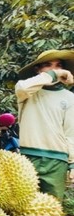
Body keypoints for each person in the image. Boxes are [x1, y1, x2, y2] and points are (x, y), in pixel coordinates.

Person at [15, 49, 74, 201]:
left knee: (51, 211)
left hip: (57, 161)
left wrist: (72, 163)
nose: (54, 69)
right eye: (48, 65)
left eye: (58, 65)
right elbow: (21, 87)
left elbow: (71, 133)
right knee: (22, 206)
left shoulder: (69, 98)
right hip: (28, 157)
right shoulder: (28, 93)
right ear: (38, 69)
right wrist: (52, 75)